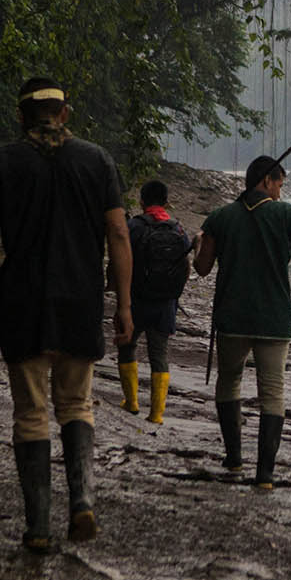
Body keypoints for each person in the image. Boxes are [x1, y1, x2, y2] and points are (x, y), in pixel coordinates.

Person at [0, 78, 132, 551]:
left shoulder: (1, 163)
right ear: (65, 113)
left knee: (31, 412)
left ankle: (38, 526)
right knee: (77, 403)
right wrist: (123, 303)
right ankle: (81, 501)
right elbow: (118, 234)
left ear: (21, 116)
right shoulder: (96, 160)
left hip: (22, 300)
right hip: (80, 300)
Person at [194, 158, 291, 489]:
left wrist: (199, 241)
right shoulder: (285, 214)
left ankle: (234, 459)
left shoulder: (221, 217)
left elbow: (203, 267)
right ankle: (264, 474)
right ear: (267, 181)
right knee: (272, 391)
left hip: (232, 317)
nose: (281, 191)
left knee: (229, 382)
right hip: (274, 317)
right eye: (279, 184)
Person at [119, 179, 191, 424]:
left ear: (141, 202)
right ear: (167, 202)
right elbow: (185, 268)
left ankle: (132, 402)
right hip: (165, 304)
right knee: (159, 354)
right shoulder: (178, 229)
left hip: (135, 300)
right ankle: (157, 414)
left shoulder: (133, 226)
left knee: (127, 346)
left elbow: (120, 261)